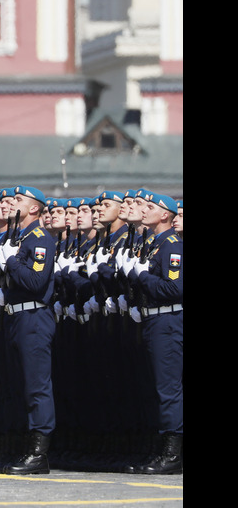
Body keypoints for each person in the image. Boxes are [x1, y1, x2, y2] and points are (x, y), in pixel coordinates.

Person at [0, 186, 56, 474]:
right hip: (17, 317)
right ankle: (24, 446)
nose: (11, 203)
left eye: (18, 200)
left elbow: (35, 282)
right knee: (20, 385)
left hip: (34, 318)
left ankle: (38, 453)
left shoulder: (40, 238)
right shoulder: (20, 238)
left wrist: (10, 261)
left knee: (37, 386)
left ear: (34, 208)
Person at [122, 192, 183, 474]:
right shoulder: (154, 244)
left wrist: (141, 275)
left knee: (168, 388)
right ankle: (159, 449)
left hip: (167, 322)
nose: (143, 211)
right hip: (153, 321)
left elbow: (174, 289)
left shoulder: (171, 246)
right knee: (158, 388)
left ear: (165, 215)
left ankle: (172, 455)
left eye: (150, 207)